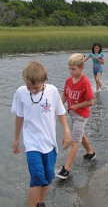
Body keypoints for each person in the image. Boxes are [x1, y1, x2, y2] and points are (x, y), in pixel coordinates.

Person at [11, 62, 71, 207]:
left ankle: (41, 202)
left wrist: (66, 132)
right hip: (32, 144)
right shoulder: (20, 92)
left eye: (36, 88)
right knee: (37, 176)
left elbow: (60, 112)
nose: (32, 91)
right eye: (28, 88)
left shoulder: (52, 91)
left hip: (49, 143)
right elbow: (19, 116)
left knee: (48, 176)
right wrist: (17, 138)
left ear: (44, 81)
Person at [56, 53, 95, 180]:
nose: (71, 71)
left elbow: (91, 101)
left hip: (81, 115)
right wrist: (57, 107)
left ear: (82, 67)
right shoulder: (68, 81)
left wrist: (76, 106)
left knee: (74, 141)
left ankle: (66, 169)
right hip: (72, 113)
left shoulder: (85, 82)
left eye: (74, 69)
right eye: (69, 68)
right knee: (79, 134)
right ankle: (90, 152)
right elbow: (65, 96)